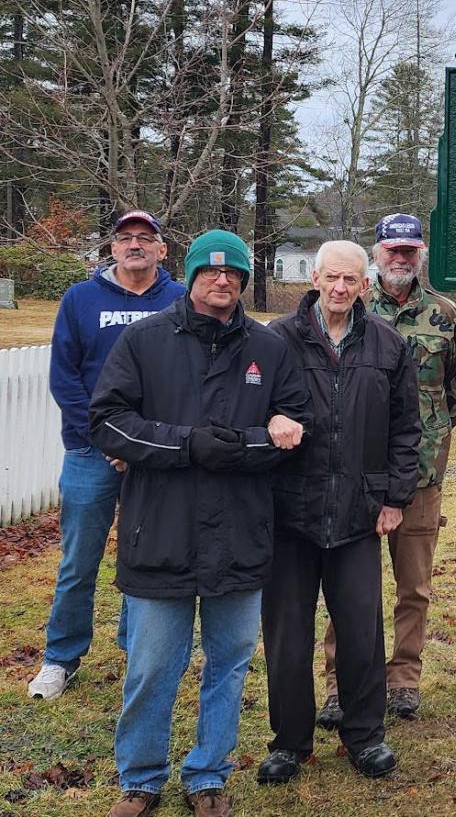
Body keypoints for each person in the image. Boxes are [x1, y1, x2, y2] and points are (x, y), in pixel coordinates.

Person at [90, 230, 311, 817]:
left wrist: (237, 446)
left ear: (243, 280)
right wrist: (187, 444)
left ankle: (208, 774)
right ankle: (139, 779)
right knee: (153, 665)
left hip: (240, 535)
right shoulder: (143, 341)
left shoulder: (269, 349)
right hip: (158, 531)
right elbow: (109, 423)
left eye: (234, 274)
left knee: (230, 662)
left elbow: (293, 432)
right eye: (211, 273)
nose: (222, 281)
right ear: (189, 278)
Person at [259, 241, 420, 784]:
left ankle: (364, 735)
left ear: (365, 286)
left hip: (359, 513)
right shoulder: (277, 340)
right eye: (331, 278)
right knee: (287, 634)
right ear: (314, 279)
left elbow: (406, 431)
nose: (340, 289)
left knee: (359, 631)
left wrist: (395, 498)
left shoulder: (388, 345)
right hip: (289, 513)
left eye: (351, 280)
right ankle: (289, 741)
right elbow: (250, 410)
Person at [318, 213, 456, 728]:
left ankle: (404, 679)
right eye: (392, 249)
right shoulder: (354, 312)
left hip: (421, 477)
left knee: (414, 586)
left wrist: (427, 437)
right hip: (358, 473)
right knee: (348, 585)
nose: (401, 258)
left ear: (420, 254)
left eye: (410, 250)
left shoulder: (446, 317)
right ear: (376, 254)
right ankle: (340, 685)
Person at [29, 210, 185, 701]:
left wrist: (146, 443)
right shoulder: (80, 299)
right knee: (79, 559)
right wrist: (107, 441)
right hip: (90, 452)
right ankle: (61, 657)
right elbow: (65, 378)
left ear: (163, 250)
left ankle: (137, 649)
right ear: (112, 248)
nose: (134, 245)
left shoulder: (179, 300)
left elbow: (188, 378)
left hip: (155, 453)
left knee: (147, 556)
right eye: (125, 238)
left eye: (145, 238)